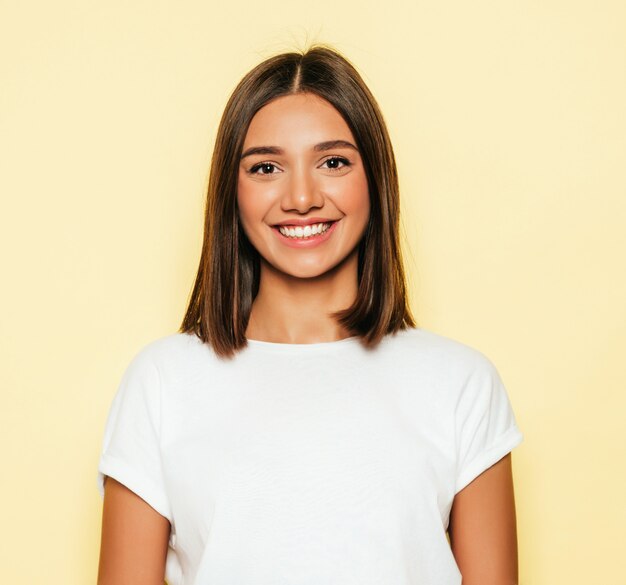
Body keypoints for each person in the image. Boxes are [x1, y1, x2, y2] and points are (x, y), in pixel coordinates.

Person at [96, 45, 524, 585]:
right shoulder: (161, 382)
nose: (301, 197)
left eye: (333, 162)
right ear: (233, 191)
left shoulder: (461, 384)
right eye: (267, 167)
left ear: (376, 180)